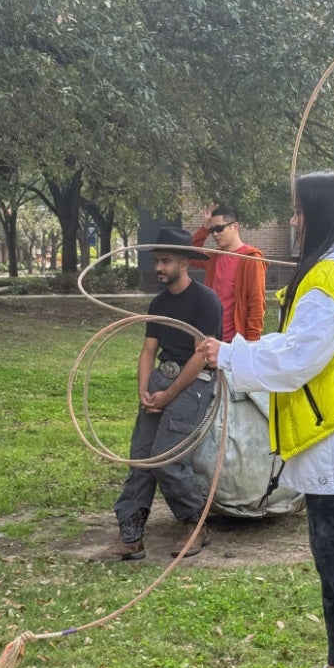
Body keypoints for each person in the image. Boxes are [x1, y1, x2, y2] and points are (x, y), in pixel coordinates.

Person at [198, 171, 334, 668]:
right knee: (333, 568)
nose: (294, 220)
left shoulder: (328, 279)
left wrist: (228, 353)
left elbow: (298, 356)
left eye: (300, 211)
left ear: (320, 214)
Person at [96, 227, 223, 561]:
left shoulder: (205, 301)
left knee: (166, 459)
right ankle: (131, 536)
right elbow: (148, 350)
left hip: (194, 384)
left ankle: (196, 524)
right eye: (157, 261)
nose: (159, 268)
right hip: (161, 380)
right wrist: (145, 388)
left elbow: (202, 355)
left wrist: (169, 394)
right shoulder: (159, 303)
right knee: (141, 459)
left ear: (184, 262)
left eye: (165, 261)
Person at [191, 205, 266, 341]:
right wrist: (204, 229)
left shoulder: (251, 258)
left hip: (235, 341)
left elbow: (257, 303)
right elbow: (189, 255)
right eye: (212, 230)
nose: (214, 234)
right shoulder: (214, 256)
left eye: (219, 229)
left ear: (235, 226)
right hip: (210, 337)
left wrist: (252, 341)